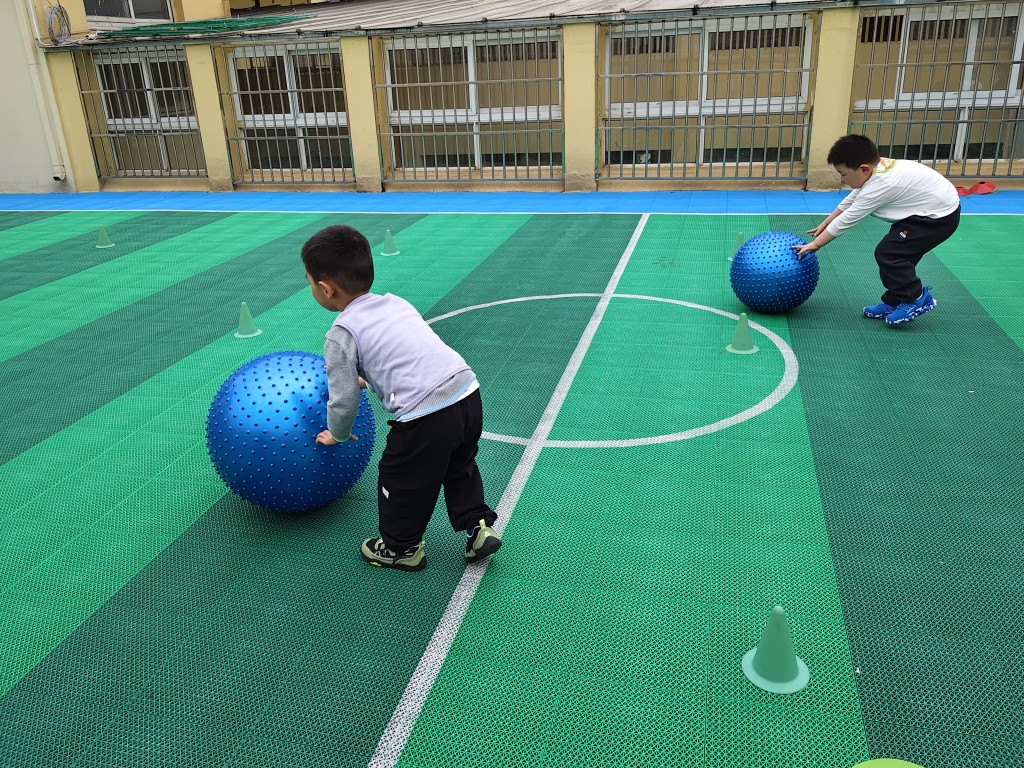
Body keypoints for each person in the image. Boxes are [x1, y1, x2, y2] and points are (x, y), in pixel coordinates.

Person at [301, 224, 501, 572]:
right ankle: (478, 526)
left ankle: (401, 548)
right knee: (459, 465)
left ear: (326, 288)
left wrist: (338, 433)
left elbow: (343, 398)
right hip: (467, 391)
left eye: (308, 282)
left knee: (400, 478)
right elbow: (403, 355)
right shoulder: (395, 303)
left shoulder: (341, 333)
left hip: (425, 417)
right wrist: (369, 379)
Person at [792, 134, 961, 326]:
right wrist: (826, 222)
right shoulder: (875, 169)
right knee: (896, 258)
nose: (843, 179)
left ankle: (917, 298)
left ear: (864, 169)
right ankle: (895, 300)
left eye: (843, 174)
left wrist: (816, 244)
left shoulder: (882, 184)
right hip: (925, 210)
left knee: (889, 254)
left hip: (937, 218)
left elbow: (848, 219)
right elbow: (854, 197)